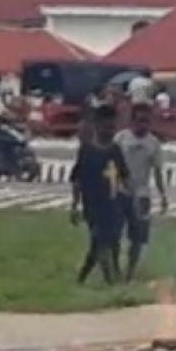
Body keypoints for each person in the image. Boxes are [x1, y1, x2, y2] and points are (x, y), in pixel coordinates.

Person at [70, 104, 128, 285]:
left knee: (106, 244)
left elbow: (124, 177)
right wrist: (75, 205)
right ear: (96, 125)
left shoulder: (115, 150)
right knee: (101, 241)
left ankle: (82, 278)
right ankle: (111, 280)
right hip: (92, 206)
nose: (109, 131)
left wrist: (129, 199)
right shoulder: (87, 151)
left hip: (112, 204)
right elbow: (77, 180)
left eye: (112, 127)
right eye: (105, 126)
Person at [114, 103, 168, 282]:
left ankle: (129, 273)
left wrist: (163, 195)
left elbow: (158, 171)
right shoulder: (121, 139)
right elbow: (110, 166)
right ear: (132, 121)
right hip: (120, 192)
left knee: (137, 239)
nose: (142, 125)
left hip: (142, 194)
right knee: (114, 233)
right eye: (139, 121)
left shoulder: (153, 143)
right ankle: (115, 270)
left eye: (146, 121)